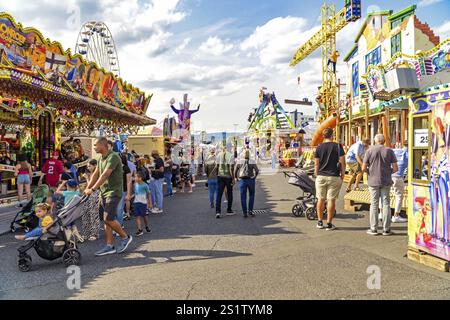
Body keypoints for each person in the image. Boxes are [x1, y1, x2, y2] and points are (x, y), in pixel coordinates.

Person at [85, 137, 133, 256]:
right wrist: (87, 188)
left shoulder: (113, 157)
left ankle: (125, 237)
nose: (94, 147)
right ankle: (109, 245)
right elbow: (95, 175)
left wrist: (93, 189)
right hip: (104, 192)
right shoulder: (101, 158)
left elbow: (105, 174)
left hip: (113, 192)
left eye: (96, 145)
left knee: (108, 218)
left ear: (103, 145)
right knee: (106, 222)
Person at [362, 134, 398, 236]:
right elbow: (396, 168)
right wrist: (388, 172)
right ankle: (386, 229)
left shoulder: (369, 151)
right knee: (386, 203)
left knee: (374, 204)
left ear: (375, 141)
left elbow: (363, 168)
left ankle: (373, 229)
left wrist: (370, 172)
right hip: (386, 180)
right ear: (384, 140)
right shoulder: (389, 151)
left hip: (373, 181)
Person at [314, 128, 345, 231]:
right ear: (332, 135)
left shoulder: (318, 148)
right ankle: (329, 224)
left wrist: (316, 173)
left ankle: (319, 222)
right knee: (331, 200)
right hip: (334, 176)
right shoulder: (337, 146)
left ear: (323, 136)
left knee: (320, 199)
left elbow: (316, 163)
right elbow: (342, 162)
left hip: (321, 176)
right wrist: (343, 174)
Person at [235, 150, 260, 218]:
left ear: (242, 154)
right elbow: (257, 170)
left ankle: (244, 212)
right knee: (251, 195)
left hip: (242, 180)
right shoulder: (252, 161)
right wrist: (254, 177)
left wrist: (236, 178)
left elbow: (235, 170)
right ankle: (250, 211)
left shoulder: (239, 161)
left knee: (243, 196)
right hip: (250, 180)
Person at [216, 146, 235, 218]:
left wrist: (218, 174)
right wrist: (233, 178)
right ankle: (229, 210)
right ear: (229, 148)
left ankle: (218, 211)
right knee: (229, 193)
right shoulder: (231, 155)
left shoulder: (218, 155)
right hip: (228, 177)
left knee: (219, 194)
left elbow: (217, 166)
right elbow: (231, 168)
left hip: (220, 176)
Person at [392, 143, 408, 223]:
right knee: (399, 196)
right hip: (398, 176)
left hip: (389, 175)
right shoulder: (407, 154)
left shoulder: (395, 150)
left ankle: (381, 213)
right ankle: (396, 215)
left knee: (385, 195)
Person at [133, 171, 152, 236]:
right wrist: (130, 197)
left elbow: (149, 194)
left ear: (140, 178)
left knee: (144, 216)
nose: (134, 178)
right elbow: (135, 193)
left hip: (143, 203)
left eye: (135, 177)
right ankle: (139, 229)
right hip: (136, 202)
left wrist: (150, 203)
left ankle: (146, 226)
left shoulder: (145, 185)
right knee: (137, 216)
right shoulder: (135, 184)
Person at [117, 154, 132, 227]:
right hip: (113, 191)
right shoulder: (113, 167)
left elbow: (129, 181)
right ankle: (116, 225)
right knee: (114, 209)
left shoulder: (126, 168)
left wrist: (128, 194)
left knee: (119, 209)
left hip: (122, 190)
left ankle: (119, 225)